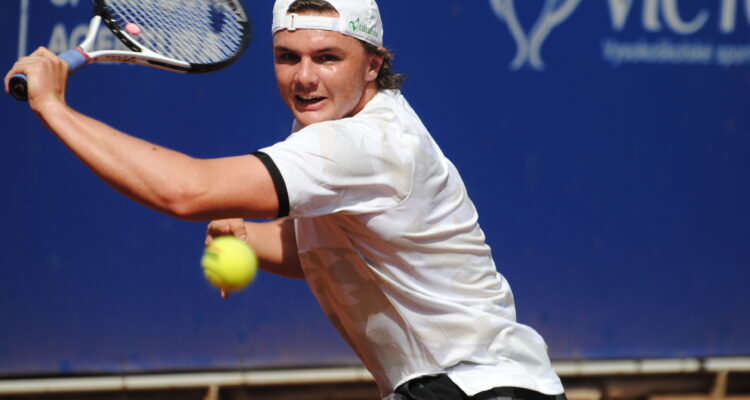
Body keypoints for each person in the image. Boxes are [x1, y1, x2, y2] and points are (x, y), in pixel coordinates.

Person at [4, 0, 567, 399]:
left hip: (478, 387)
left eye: (327, 57)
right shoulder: (333, 130)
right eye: (287, 56)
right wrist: (250, 237)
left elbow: (186, 190)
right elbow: (331, 254)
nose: (303, 77)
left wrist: (54, 107)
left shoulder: (363, 143)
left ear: (373, 63)